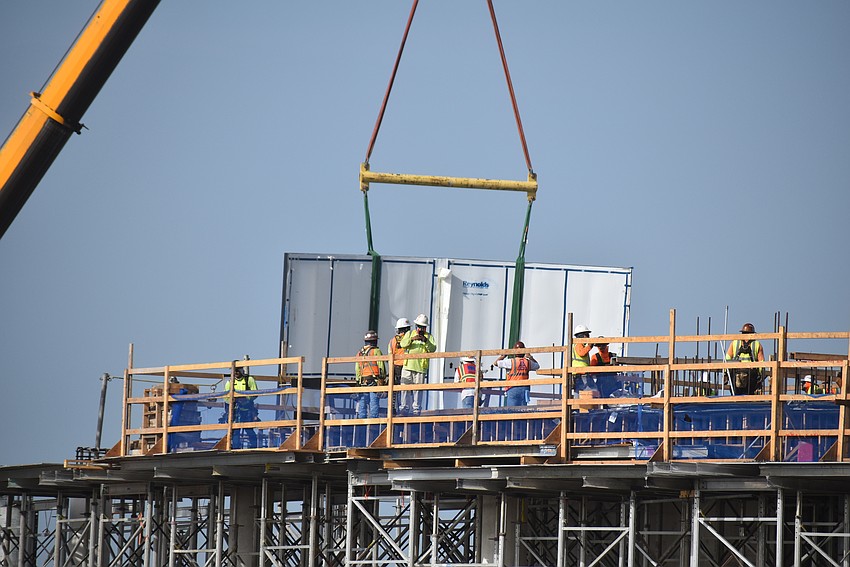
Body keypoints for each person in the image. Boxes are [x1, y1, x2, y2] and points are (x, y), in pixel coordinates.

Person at [398, 314, 437, 415]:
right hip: (408, 366)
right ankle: (404, 408)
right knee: (404, 387)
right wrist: (412, 339)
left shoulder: (429, 337)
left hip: (420, 367)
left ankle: (416, 409)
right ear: (416, 326)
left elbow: (432, 349)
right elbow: (402, 344)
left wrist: (426, 341)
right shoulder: (410, 334)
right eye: (419, 327)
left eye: (422, 327)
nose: (420, 329)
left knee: (418, 390)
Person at [222, 365, 259, 449]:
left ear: (242, 370)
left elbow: (255, 393)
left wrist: (246, 399)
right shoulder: (230, 382)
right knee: (235, 431)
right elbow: (225, 397)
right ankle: (235, 448)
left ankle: (253, 447)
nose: (236, 373)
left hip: (247, 409)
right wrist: (234, 401)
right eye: (234, 371)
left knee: (249, 430)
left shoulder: (249, 380)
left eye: (237, 370)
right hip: (235, 411)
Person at [494, 341, 539, 406]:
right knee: (522, 411)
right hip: (524, 388)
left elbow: (496, 363)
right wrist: (530, 357)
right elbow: (537, 366)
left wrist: (503, 356)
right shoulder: (528, 362)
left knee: (511, 411)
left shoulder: (510, 362)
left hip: (513, 388)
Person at [355, 330, 387, 419]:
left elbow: (357, 369)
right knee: (374, 405)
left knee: (362, 405)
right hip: (374, 381)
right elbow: (381, 366)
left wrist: (358, 381)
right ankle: (373, 427)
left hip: (362, 382)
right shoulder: (376, 351)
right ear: (374, 341)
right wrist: (383, 378)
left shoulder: (359, 353)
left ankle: (361, 427)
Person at [725, 322, 765, 395]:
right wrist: (761, 376)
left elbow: (727, 359)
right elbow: (761, 363)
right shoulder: (757, 344)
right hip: (751, 375)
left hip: (736, 373)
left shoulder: (735, 343)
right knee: (749, 395)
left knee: (735, 395)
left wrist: (725, 373)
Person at [571, 325, 596, 395]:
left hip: (578, 373)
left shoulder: (574, 345)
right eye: (587, 335)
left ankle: (576, 405)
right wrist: (590, 346)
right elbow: (582, 353)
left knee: (578, 391)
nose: (588, 337)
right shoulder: (579, 344)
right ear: (581, 336)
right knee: (593, 390)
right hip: (582, 373)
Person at [388, 318, 410, 385]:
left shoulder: (392, 340)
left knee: (396, 387)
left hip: (395, 366)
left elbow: (390, 354)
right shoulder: (409, 339)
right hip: (406, 366)